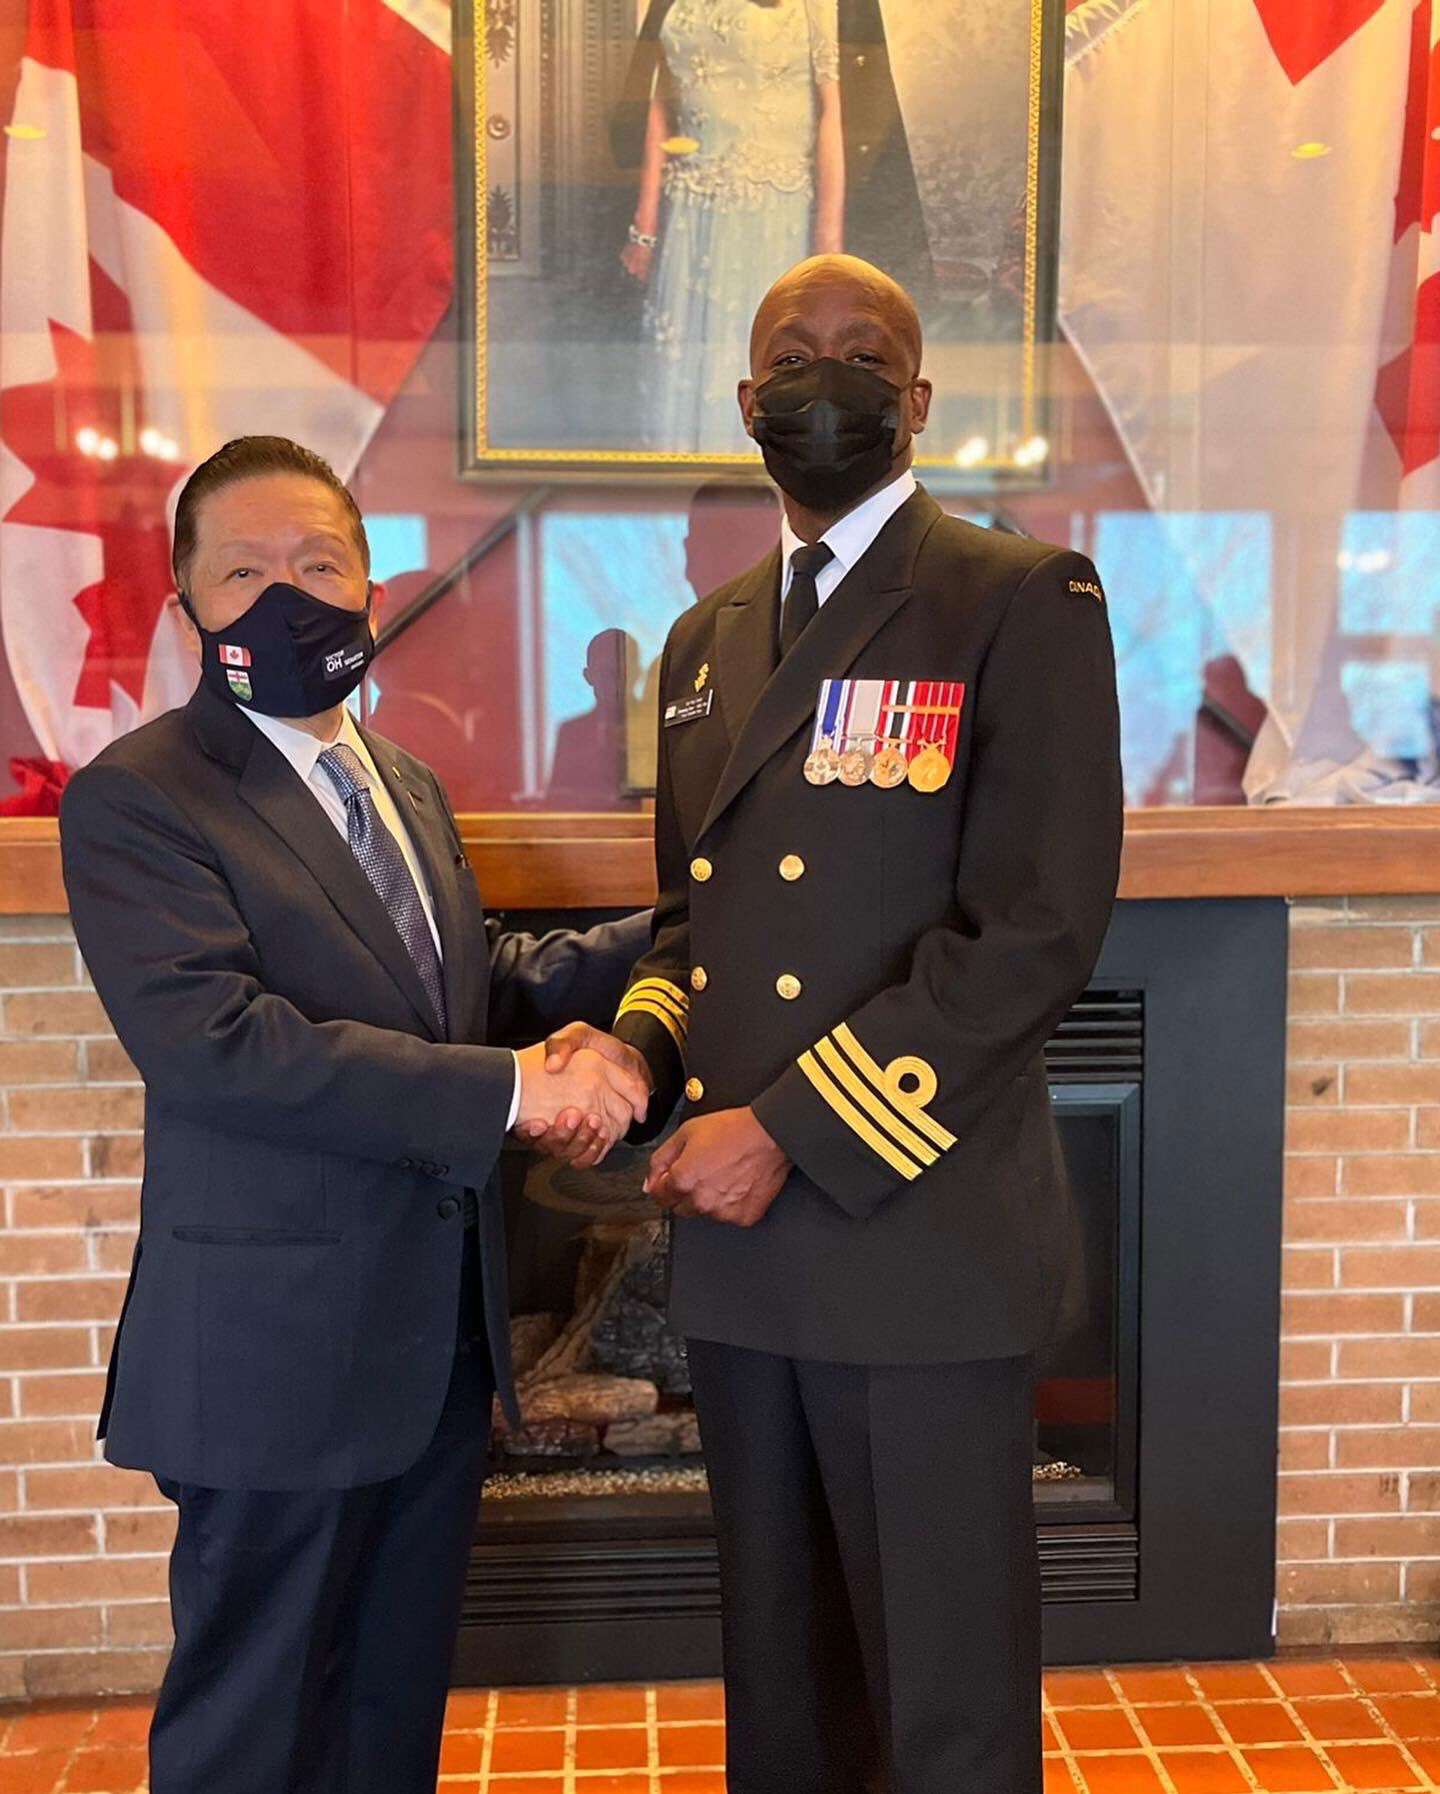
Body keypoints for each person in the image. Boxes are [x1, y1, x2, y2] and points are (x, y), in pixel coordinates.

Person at [566, 256, 1123, 1791]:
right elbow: (695, 927)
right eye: (794, 358)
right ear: (747, 406)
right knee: (789, 1702)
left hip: (918, 1234)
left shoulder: (1017, 598)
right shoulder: (703, 643)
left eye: (865, 354)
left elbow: (1035, 932)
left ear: (920, 398)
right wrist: (639, 1047)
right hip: (752, 1263)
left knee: (942, 1708)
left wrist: (789, 1132)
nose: (830, 381)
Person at [58, 436, 653, 1794]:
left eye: (319, 564)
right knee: (252, 1728)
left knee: (388, 1715)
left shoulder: (405, 781)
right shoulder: (141, 796)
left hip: (430, 1351)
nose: (288, 595)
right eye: (246, 570)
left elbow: (459, 990)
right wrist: (521, 1090)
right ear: (186, 608)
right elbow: (223, 1046)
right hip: (269, 1365)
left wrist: (647, 949)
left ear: (373, 595)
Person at [620, 0, 845, 453]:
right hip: (688, 212)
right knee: (685, 368)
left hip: (768, 213)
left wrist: (828, 242)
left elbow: (832, 116)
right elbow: (660, 105)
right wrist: (645, 224)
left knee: (757, 362)